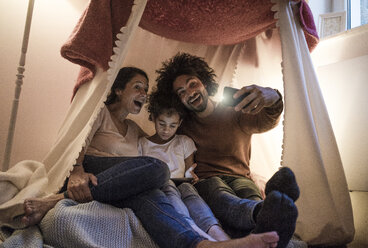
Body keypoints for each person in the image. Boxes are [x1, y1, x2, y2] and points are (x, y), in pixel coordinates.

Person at [22, 66, 280, 248]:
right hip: (93, 170)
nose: (144, 93)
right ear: (119, 90)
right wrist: (77, 170)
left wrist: (274, 95)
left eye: (145, 88)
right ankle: (58, 199)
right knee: (157, 170)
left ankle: (199, 244)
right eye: (138, 87)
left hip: (122, 181)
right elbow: (74, 145)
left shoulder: (136, 130)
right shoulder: (98, 112)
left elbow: (159, 143)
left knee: (154, 187)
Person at [155, 52, 300, 248]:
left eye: (192, 84)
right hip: (206, 183)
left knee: (247, 190)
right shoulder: (181, 125)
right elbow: (159, 144)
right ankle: (264, 213)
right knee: (218, 189)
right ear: (178, 101)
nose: (189, 93)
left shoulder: (235, 111)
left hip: (240, 178)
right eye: (181, 92)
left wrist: (272, 96)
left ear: (204, 83)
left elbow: (268, 119)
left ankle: (273, 212)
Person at [138, 90, 230, 241]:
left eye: (172, 125)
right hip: (161, 185)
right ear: (153, 118)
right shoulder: (142, 143)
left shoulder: (184, 141)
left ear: (179, 123)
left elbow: (189, 169)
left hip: (182, 183)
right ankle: (192, 229)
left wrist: (191, 175)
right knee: (169, 188)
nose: (166, 130)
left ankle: (216, 232)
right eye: (162, 124)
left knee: (190, 191)